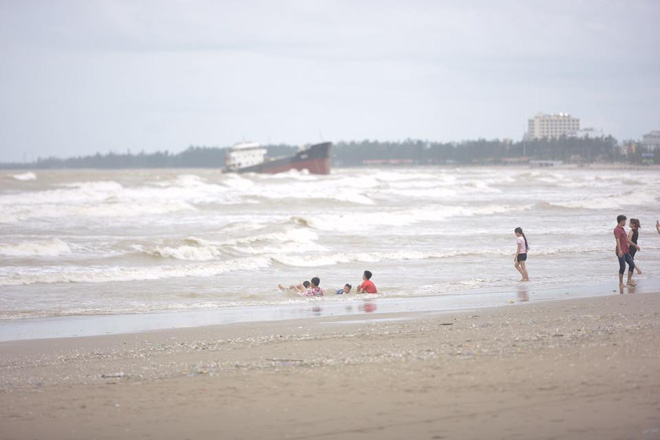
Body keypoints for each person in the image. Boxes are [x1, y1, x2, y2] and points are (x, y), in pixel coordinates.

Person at [614, 215, 639, 289]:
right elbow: (617, 240)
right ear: (621, 221)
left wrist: (635, 245)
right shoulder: (617, 230)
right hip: (621, 251)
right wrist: (620, 250)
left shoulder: (622, 229)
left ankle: (628, 281)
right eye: (624, 221)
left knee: (632, 264)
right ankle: (621, 284)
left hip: (626, 251)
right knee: (623, 267)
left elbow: (627, 240)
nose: (625, 222)